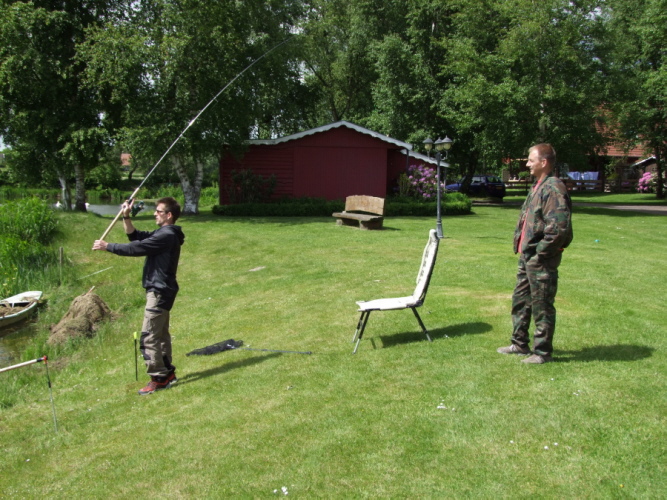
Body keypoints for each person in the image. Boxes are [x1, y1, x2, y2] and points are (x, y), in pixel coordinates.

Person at [93, 197, 185, 394]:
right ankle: (167, 373)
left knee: (149, 337)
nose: (154, 214)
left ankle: (159, 378)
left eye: (158, 211)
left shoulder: (167, 235)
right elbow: (135, 237)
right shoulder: (164, 233)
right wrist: (126, 216)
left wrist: (107, 246)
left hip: (159, 291)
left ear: (169, 215)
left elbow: (136, 248)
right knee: (160, 335)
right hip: (163, 290)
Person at [497, 144, 573, 364]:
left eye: (531, 160)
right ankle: (519, 344)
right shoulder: (538, 186)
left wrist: (540, 253)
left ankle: (542, 353)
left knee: (542, 305)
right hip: (527, 256)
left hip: (541, 259)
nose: (528, 164)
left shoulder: (553, 188)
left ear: (544, 162)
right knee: (521, 300)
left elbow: (558, 229)